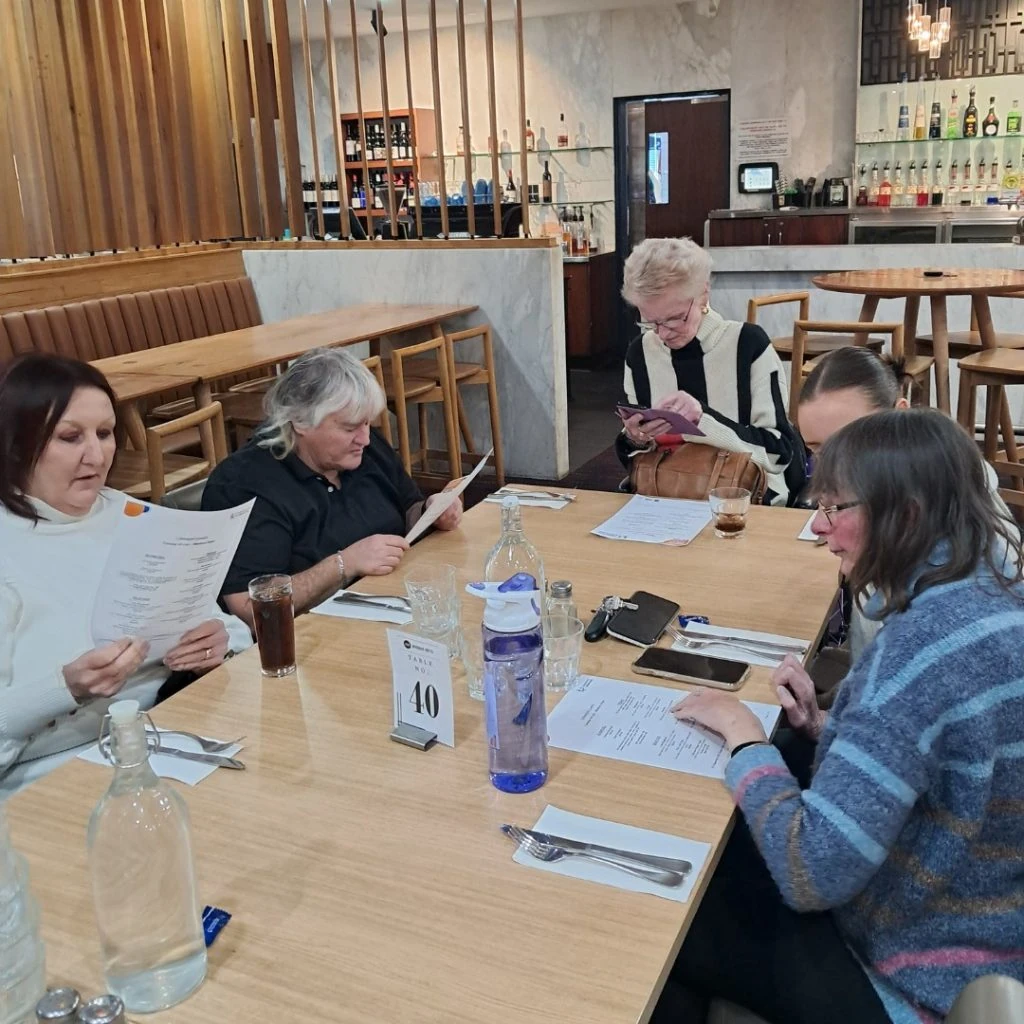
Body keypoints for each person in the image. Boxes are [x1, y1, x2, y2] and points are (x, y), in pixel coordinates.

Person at [655, 409, 1024, 1024]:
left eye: (834, 509)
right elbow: (948, 764)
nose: (821, 529)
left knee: (672, 915)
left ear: (904, 515)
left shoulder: (917, 655)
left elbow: (811, 873)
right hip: (986, 932)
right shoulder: (995, 595)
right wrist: (831, 734)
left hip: (908, 973)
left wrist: (748, 740)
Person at [0, 354, 252, 796]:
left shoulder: (135, 517)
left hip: (174, 733)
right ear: (18, 445)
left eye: (105, 433)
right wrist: (64, 689)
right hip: (56, 774)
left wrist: (219, 642)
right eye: (69, 437)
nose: (96, 456)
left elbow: (232, 630)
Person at [202, 347, 463, 628]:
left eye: (367, 422)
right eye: (350, 428)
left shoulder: (364, 449)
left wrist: (432, 512)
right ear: (300, 422)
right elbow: (251, 608)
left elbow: (408, 509)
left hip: (392, 607)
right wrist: (345, 563)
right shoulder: (246, 484)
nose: (364, 438)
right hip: (310, 637)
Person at [798, 346, 1015, 661]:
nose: (832, 467)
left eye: (852, 441)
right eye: (817, 449)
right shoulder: (893, 503)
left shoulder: (961, 543)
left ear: (900, 414)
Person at [617, 237, 805, 506]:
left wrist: (703, 421)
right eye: (650, 322)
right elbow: (637, 458)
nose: (663, 333)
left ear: (703, 293)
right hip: (665, 496)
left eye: (674, 318)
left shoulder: (747, 345)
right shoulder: (640, 353)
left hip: (745, 500)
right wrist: (636, 438)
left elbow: (779, 452)